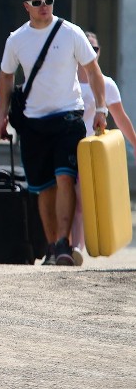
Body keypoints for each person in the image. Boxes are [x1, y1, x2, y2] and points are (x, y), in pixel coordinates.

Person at [0, 0, 106, 266]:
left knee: (65, 177)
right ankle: (52, 246)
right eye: (37, 2)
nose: (44, 7)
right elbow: (6, 77)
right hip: (33, 122)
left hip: (69, 117)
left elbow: (93, 71)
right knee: (43, 186)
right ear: (26, 7)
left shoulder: (71, 33)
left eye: (48, 1)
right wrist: (1, 115)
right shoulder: (16, 39)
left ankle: (63, 243)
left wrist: (102, 108)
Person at [71, 31, 136, 254]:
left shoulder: (106, 84)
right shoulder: (67, 81)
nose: (92, 52)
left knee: (80, 200)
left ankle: (76, 247)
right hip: (66, 145)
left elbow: (120, 118)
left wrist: (135, 144)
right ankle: (66, 244)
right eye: (87, 48)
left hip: (90, 152)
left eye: (95, 49)